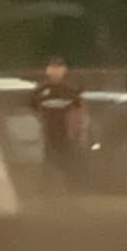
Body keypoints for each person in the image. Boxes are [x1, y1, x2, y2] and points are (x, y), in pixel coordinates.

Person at [31, 56, 85, 195]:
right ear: (47, 71)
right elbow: (33, 110)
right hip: (47, 133)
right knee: (47, 163)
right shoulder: (40, 90)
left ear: (64, 71)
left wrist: (76, 131)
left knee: (68, 162)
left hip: (65, 134)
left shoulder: (69, 90)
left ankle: (72, 191)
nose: (55, 72)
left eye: (59, 68)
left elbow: (78, 112)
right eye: (52, 68)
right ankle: (44, 191)